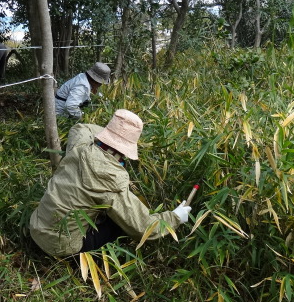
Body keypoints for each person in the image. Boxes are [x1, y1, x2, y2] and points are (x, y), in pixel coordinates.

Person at [28, 109, 191, 257]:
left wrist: (113, 133)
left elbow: (80, 129)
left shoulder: (80, 147)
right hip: (61, 246)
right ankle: (91, 261)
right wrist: (175, 217)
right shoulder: (112, 180)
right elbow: (142, 228)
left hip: (36, 226)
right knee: (120, 222)